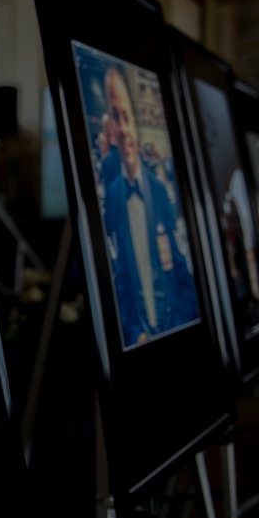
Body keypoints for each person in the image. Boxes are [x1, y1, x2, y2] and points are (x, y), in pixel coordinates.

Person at [100, 66, 197, 347]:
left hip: (175, 327)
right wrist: (134, 334)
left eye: (126, 117)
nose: (122, 129)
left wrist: (183, 326)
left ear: (135, 125)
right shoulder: (114, 197)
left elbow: (183, 268)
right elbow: (120, 278)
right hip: (141, 339)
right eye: (115, 119)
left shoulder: (160, 191)